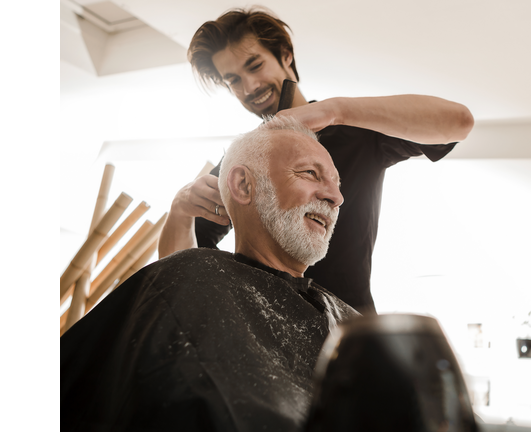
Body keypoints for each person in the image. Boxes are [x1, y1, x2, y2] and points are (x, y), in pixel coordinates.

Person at [158, 7, 474, 315]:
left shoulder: (353, 131)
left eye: (254, 66)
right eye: (233, 80)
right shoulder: (241, 163)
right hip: (263, 339)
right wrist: (179, 208)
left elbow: (458, 122)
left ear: (285, 56)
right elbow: (180, 273)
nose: (249, 87)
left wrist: (336, 110)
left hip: (349, 336)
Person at [61, 117, 360, 432]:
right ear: (244, 185)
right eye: (310, 173)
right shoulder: (193, 280)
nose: (335, 197)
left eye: (337, 184)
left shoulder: (350, 322)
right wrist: (179, 208)